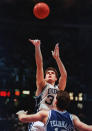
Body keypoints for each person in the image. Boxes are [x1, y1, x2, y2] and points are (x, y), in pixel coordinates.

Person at [27, 39, 67, 130]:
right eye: (48, 73)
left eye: (52, 73)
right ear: (44, 78)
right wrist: (37, 47)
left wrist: (57, 58)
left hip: (52, 122)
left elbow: (64, 75)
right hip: (39, 121)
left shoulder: (59, 89)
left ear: (56, 78)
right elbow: (39, 64)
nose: (49, 73)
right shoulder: (42, 85)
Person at [16, 90, 92, 131]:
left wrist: (21, 113)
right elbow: (89, 128)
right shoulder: (73, 118)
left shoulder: (45, 114)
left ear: (55, 101)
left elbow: (23, 119)